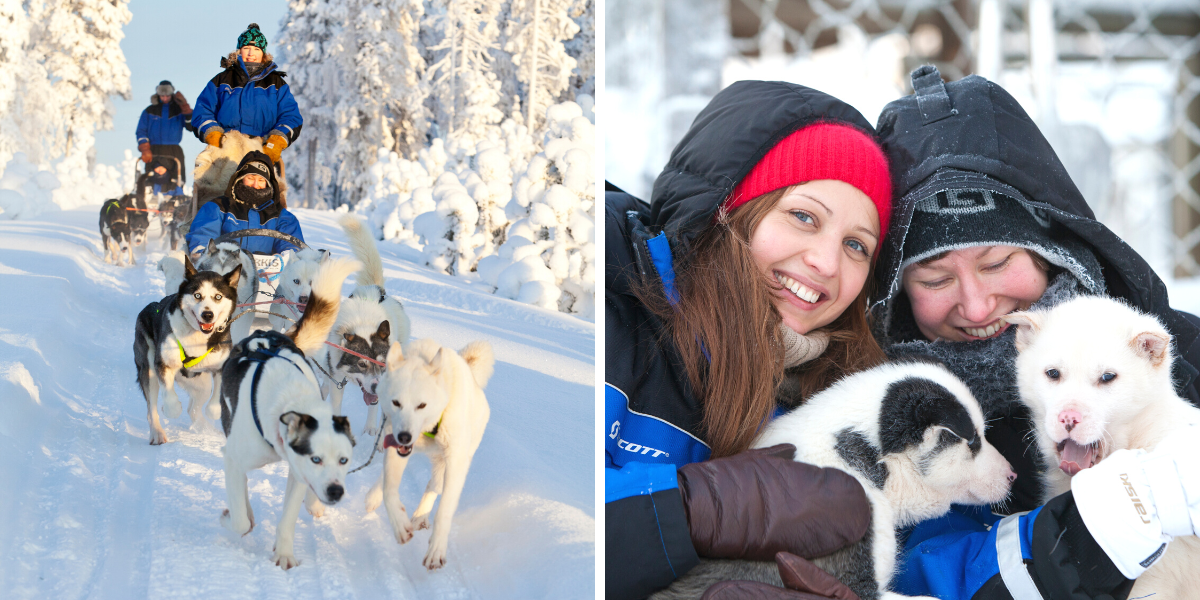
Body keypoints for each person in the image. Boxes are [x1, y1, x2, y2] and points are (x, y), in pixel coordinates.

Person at [871, 65, 1200, 599]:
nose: (977, 307)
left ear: (1054, 252)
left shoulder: (1178, 353)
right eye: (933, 277)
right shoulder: (878, 412)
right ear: (897, 293)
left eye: (998, 262)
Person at [605, 80, 895, 599]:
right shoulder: (612, 308)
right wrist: (683, 509)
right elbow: (550, 516)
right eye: (803, 217)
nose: (827, 264)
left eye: (856, 245)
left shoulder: (839, 393)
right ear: (727, 209)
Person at [191, 23, 302, 167]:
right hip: (225, 149)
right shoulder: (222, 80)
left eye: (256, 49)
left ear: (263, 53)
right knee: (209, 185)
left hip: (262, 151)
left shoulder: (276, 83)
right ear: (239, 51)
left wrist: (277, 140)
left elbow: (291, 116)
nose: (251, 53)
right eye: (246, 48)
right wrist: (213, 134)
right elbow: (203, 110)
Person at [185, 150, 304, 257]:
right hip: (224, 273)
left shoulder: (280, 215)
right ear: (240, 178)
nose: (256, 185)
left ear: (268, 184)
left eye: (261, 180)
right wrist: (206, 256)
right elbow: (203, 235)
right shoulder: (218, 207)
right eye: (251, 178)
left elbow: (292, 246)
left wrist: (286, 258)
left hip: (269, 275)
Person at [135, 80, 192, 180]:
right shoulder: (149, 111)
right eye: (162, 96)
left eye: (167, 96)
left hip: (174, 150)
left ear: (172, 95)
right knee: (151, 180)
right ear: (158, 95)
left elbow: (191, 127)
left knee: (177, 180)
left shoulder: (179, 110)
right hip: (153, 150)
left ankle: (178, 194)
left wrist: (186, 109)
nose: (165, 98)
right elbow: (141, 131)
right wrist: (145, 148)